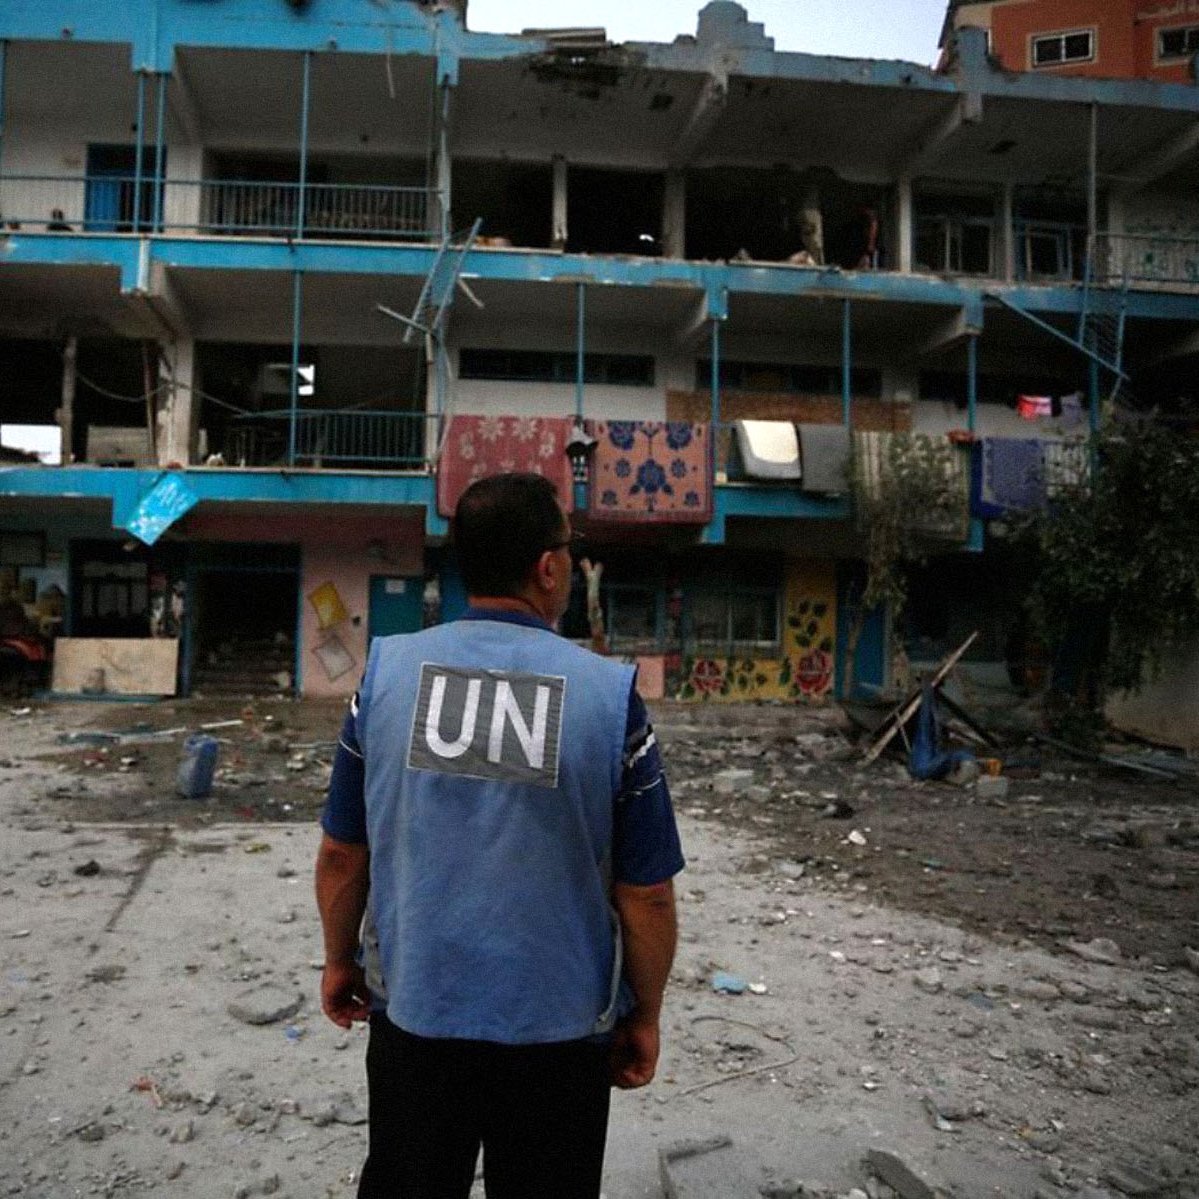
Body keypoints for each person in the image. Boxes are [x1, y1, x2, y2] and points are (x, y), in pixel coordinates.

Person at [315, 472, 684, 1199]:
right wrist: (645, 1011)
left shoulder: (383, 674)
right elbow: (646, 894)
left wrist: (337, 959)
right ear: (548, 567)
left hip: (417, 1013)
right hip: (559, 1029)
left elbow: (340, 850)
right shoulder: (610, 696)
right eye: (569, 549)